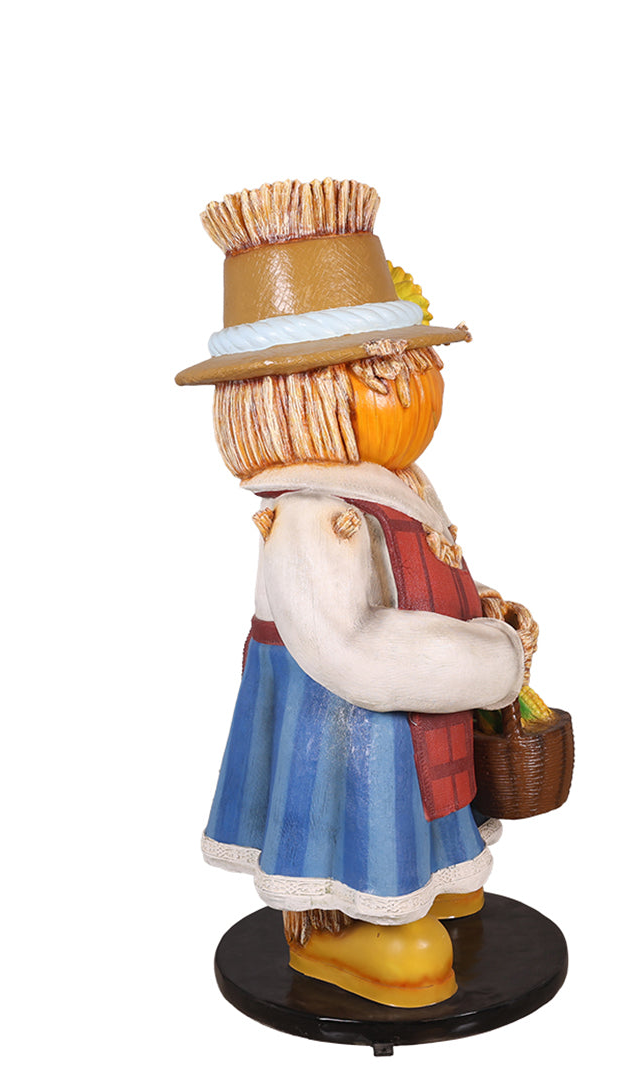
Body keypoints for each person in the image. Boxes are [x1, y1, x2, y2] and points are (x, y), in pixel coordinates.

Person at [177, 179, 537, 1007]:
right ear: (304, 393)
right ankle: (344, 925)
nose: (419, 382)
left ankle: (428, 880)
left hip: (421, 710)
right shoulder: (314, 517)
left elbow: (416, 575)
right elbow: (354, 652)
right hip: (347, 724)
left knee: (422, 802)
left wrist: (476, 604)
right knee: (363, 814)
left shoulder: (394, 480)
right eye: (386, 368)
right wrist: (492, 660)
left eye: (417, 359)